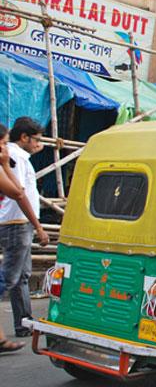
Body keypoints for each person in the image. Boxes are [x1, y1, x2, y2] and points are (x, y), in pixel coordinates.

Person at [0, 117, 49, 338]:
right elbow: (18, 192)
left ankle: (24, 322)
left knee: (21, 276)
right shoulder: (15, 157)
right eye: (36, 139)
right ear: (24, 137)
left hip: (18, 222)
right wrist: (38, 226)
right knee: (9, 278)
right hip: (17, 222)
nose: (39, 144)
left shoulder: (16, 156)